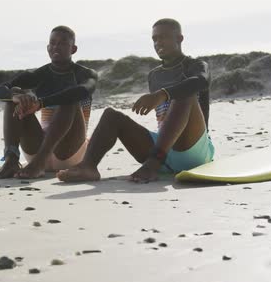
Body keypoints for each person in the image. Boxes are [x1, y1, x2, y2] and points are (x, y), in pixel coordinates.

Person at [57, 18, 214, 183]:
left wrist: (162, 94)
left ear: (179, 38)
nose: (158, 42)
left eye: (164, 37)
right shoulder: (154, 75)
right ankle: (87, 167)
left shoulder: (196, 65)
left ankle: (152, 164)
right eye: (155, 39)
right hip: (163, 153)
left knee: (185, 94)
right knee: (111, 116)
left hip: (193, 150)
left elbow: (201, 81)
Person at [0, 25, 98, 179]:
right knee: (13, 97)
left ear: (73, 49)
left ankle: (40, 163)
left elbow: (83, 91)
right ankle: (11, 161)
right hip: (37, 148)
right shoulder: (38, 74)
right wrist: (15, 96)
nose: (56, 46)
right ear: (47, 47)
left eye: (62, 43)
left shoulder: (86, 74)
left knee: (71, 98)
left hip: (70, 153)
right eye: (52, 43)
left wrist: (41, 103)